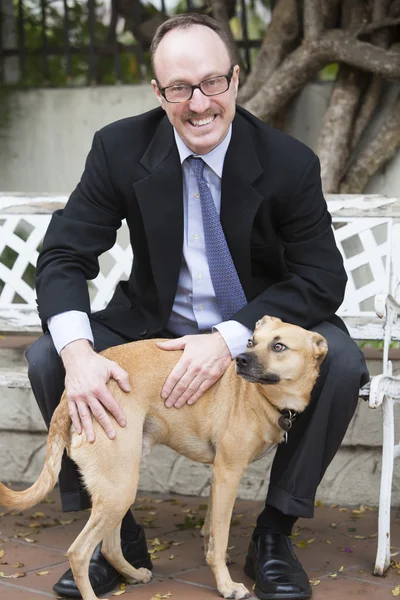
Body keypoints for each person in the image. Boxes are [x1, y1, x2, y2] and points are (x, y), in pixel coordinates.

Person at [26, 12, 369, 600]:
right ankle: (119, 535)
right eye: (180, 88)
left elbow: (321, 276)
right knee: (50, 358)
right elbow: (63, 255)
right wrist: (80, 352)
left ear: (235, 79)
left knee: (340, 360)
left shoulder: (287, 161)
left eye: (213, 83)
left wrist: (229, 338)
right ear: (159, 93)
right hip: (154, 324)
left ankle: (274, 534)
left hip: (254, 330)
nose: (200, 103)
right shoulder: (119, 148)